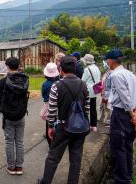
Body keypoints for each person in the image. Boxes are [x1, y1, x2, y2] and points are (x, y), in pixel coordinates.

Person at [38, 56, 92, 184]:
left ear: (60, 69)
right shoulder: (83, 85)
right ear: (75, 68)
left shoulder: (57, 86)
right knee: (76, 159)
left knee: (53, 158)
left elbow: (52, 110)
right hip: (80, 128)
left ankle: (46, 181)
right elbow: (87, 107)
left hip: (62, 127)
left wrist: (51, 126)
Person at [106, 49, 136, 184]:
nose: (106, 63)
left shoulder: (115, 75)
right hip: (130, 113)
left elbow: (124, 97)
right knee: (127, 145)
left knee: (118, 147)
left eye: (107, 60)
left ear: (110, 61)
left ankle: (122, 180)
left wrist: (131, 113)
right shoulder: (130, 74)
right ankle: (128, 175)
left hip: (121, 114)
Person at [0, 57, 29, 175]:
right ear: (18, 66)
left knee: (9, 141)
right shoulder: (25, 80)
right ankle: (19, 167)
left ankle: (11, 167)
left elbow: (0, 98)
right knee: (20, 141)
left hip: (8, 115)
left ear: (7, 66)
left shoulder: (3, 81)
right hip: (21, 113)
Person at [81, 54, 101, 132]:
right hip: (95, 90)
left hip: (87, 91)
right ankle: (94, 125)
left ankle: (86, 125)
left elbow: (83, 81)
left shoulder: (87, 69)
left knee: (85, 108)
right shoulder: (96, 68)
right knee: (93, 108)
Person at [41, 63, 59, 146]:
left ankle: (50, 142)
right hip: (58, 105)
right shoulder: (59, 83)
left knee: (49, 123)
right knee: (58, 122)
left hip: (48, 104)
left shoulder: (45, 84)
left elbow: (43, 95)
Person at [99, 59, 112, 124]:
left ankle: (110, 121)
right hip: (104, 93)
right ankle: (107, 120)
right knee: (105, 107)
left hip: (108, 94)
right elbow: (103, 82)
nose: (105, 67)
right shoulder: (106, 73)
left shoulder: (111, 73)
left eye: (106, 65)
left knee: (109, 107)